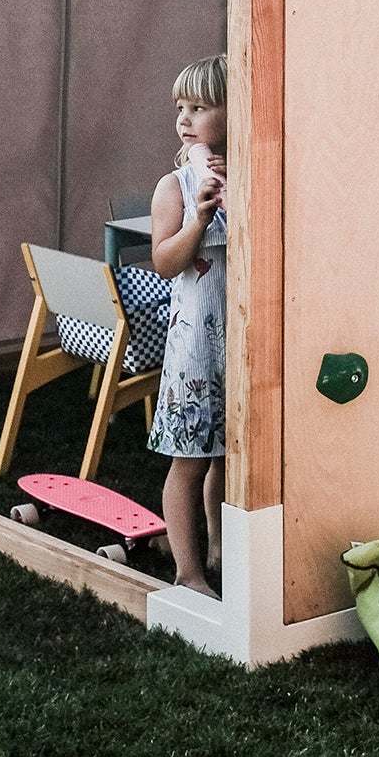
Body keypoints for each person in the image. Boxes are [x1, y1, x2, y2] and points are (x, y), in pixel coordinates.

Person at [147, 54, 228, 597]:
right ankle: (188, 571)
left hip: (239, 338)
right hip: (195, 344)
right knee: (190, 460)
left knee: (227, 454)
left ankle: (220, 547)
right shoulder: (174, 187)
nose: (185, 118)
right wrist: (199, 219)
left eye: (199, 108)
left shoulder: (252, 173)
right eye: (181, 108)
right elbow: (165, 262)